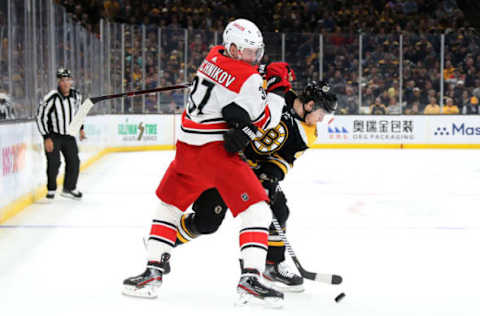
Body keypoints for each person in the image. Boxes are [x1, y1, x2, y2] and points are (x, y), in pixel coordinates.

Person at [122, 18, 285, 306]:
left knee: (169, 206)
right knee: (257, 208)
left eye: (255, 52)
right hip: (214, 153)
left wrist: (257, 74)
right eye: (248, 52)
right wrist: (277, 92)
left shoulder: (213, 55)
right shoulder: (247, 80)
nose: (253, 58)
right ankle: (251, 278)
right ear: (233, 48)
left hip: (185, 150)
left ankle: (152, 271)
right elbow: (265, 120)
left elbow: (229, 77)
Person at [174, 66, 338, 293]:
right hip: (221, 157)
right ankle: (166, 237)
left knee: (279, 210)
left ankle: (272, 265)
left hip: (248, 171)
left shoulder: (308, 133)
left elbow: (284, 159)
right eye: (322, 113)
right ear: (310, 105)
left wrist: (271, 176)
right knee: (207, 222)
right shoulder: (276, 94)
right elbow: (247, 82)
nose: (321, 120)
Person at [36, 67, 86, 200]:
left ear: (71, 81)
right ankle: (51, 188)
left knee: (74, 162)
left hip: (69, 136)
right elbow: (41, 117)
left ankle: (68, 188)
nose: (65, 83)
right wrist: (46, 137)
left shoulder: (77, 95)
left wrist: (81, 128)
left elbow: (79, 113)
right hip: (53, 136)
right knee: (54, 162)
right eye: (62, 80)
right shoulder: (51, 97)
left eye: (67, 80)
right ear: (59, 82)